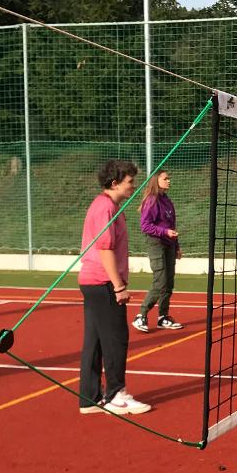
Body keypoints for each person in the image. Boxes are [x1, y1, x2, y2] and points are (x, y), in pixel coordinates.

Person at [78, 159, 152, 416]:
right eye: (130, 181)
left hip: (94, 282)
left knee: (95, 341)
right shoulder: (105, 208)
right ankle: (116, 396)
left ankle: (89, 398)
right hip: (103, 283)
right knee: (115, 340)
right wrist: (118, 286)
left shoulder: (108, 206)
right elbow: (105, 248)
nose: (134, 185)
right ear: (114, 183)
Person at [133, 169, 183, 332]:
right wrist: (164, 232)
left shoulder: (167, 200)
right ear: (156, 181)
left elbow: (172, 226)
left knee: (169, 282)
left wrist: (177, 246)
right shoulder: (151, 200)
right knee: (160, 281)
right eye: (165, 178)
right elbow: (145, 226)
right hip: (156, 243)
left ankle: (163, 317)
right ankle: (141, 315)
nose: (169, 181)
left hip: (169, 244)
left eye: (169, 178)